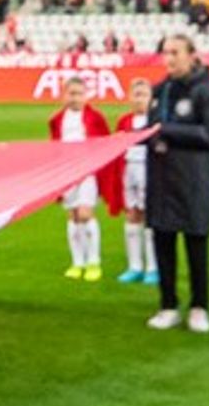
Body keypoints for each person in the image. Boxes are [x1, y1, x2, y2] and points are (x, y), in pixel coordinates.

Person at [144, 34, 209, 333]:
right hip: (162, 180)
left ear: (192, 55)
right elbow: (150, 130)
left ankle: (199, 306)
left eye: (176, 52)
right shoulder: (159, 91)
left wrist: (168, 132)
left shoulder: (204, 93)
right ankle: (168, 305)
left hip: (193, 180)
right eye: (166, 53)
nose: (170, 58)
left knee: (195, 245)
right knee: (162, 242)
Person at [48, 76, 124, 280]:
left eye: (79, 94)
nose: (75, 98)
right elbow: (54, 146)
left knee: (85, 213)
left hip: (88, 173)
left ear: (86, 95)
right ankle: (77, 262)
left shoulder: (95, 118)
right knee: (73, 216)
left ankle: (93, 262)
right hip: (67, 173)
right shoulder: (57, 120)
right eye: (71, 93)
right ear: (64, 95)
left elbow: (104, 143)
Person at [116, 76, 157, 284]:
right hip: (129, 170)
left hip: (149, 170)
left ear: (151, 98)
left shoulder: (155, 121)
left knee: (150, 217)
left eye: (143, 95)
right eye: (136, 95)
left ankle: (152, 267)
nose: (139, 99)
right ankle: (134, 266)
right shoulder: (124, 121)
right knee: (132, 215)